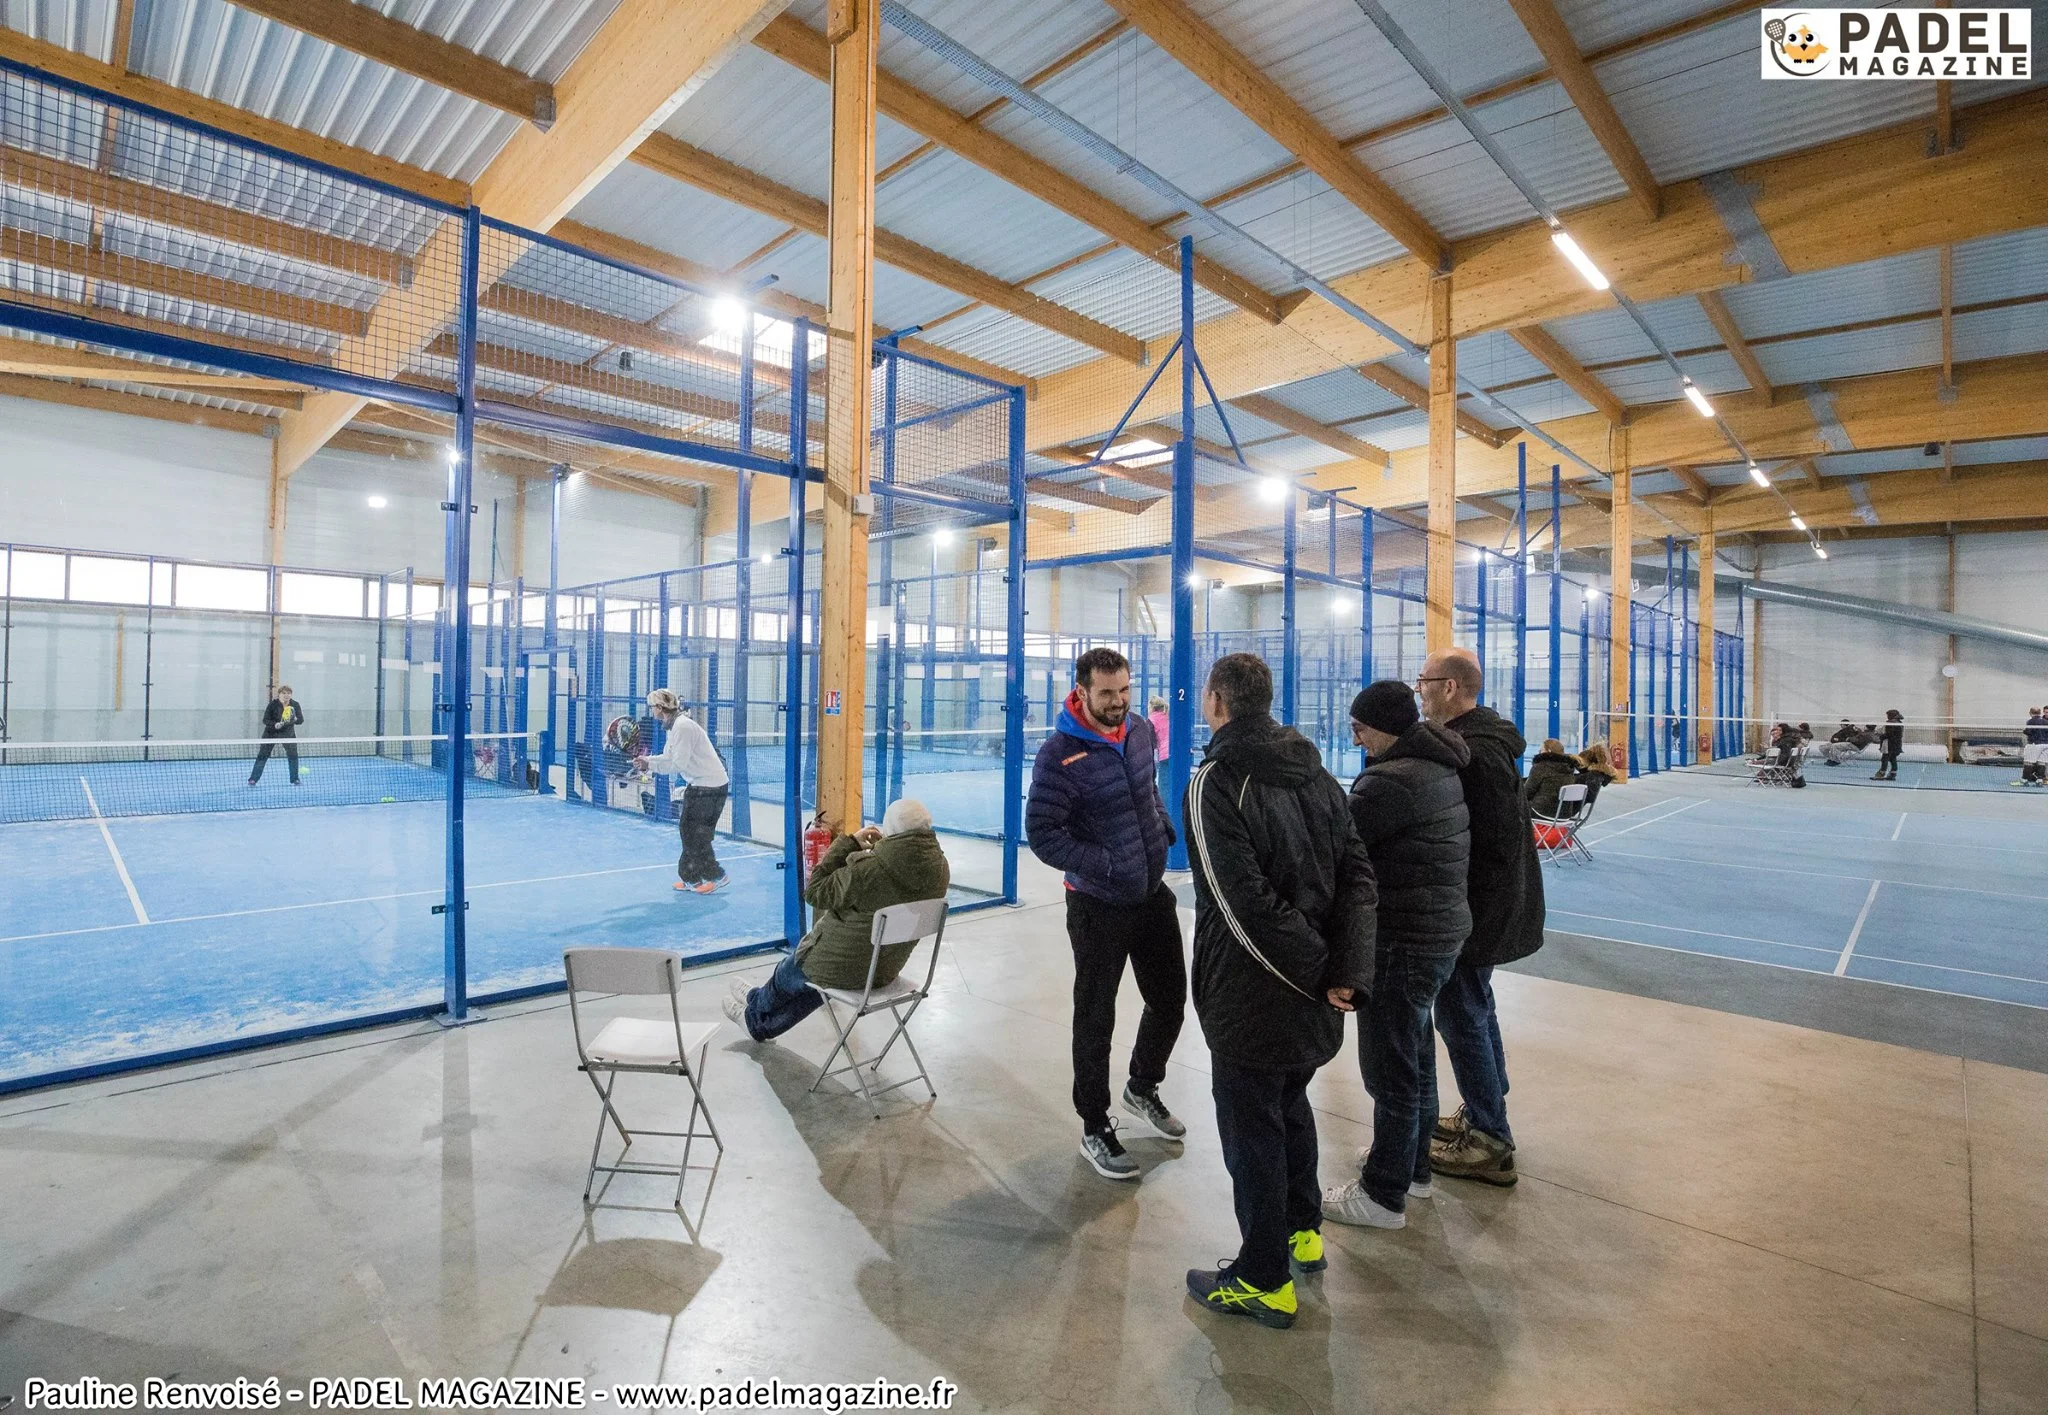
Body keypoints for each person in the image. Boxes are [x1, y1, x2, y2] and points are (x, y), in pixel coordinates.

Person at [1182, 654, 1375, 1330]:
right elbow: (1359, 876)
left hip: (1255, 998)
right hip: (1315, 997)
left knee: (1254, 1130)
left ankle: (1264, 1278)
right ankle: (1302, 1230)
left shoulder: (1213, 781)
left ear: (1217, 701)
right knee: (1291, 1107)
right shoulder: (1319, 773)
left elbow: (1244, 910)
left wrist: (1325, 972)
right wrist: (1344, 970)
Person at [1027, 647, 1185, 1182]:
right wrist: (1108, 862)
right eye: (1107, 694)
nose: (1118, 703)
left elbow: (1149, 790)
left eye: (1124, 691)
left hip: (1150, 891)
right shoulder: (1059, 755)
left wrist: (1160, 829)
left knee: (1170, 998)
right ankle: (1094, 1124)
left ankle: (1142, 1086)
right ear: (1082, 691)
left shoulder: (1140, 730)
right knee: (1096, 1016)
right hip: (1097, 903)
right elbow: (1044, 835)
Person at [1323, 680, 1470, 1232]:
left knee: (1391, 1071)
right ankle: (1412, 1167)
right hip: (1438, 936)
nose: (1356, 739)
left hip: (1404, 941)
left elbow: (1337, 847)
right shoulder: (1437, 766)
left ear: (1383, 727)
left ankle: (1384, 1194)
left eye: (1360, 729)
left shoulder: (1390, 784)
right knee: (1416, 1056)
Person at [1418, 648, 1545, 1187]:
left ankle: (1491, 1137)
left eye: (1424, 681)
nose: (1418, 691)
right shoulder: (1488, 741)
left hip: (1476, 912)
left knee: (1461, 1016)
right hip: (1486, 908)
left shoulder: (1475, 754)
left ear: (1450, 688)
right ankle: (1484, 1107)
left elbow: (1483, 846)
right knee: (1476, 1009)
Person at [722, 798, 949, 1041]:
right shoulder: (941, 869)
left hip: (843, 966)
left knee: (791, 972)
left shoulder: (867, 871)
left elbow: (814, 892)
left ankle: (754, 1008)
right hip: (884, 970)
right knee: (815, 989)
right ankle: (758, 1017)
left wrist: (849, 844)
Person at [636, 688, 731, 894]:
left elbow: (678, 764)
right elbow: (668, 757)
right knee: (689, 832)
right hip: (699, 786)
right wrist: (648, 762)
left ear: (660, 708)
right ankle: (691, 879)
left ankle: (717, 875)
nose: (651, 711)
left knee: (697, 835)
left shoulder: (683, 727)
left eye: (652, 707)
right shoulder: (674, 727)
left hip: (709, 787)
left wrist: (650, 764)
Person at [248, 684, 304, 786]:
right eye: (284, 693)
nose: (286, 695)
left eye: (288, 693)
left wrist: (295, 719)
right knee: (262, 756)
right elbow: (265, 720)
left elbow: (301, 720)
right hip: (270, 733)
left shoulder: (295, 705)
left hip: (288, 734)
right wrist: (275, 725)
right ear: (279, 695)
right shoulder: (272, 705)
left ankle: (295, 779)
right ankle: (253, 779)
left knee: (293, 756)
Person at [1522, 738, 1581, 817]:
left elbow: (1526, 793)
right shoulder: (1569, 768)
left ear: (1548, 751)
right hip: (1564, 814)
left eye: (1541, 751)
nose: (1539, 753)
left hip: (1541, 812)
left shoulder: (1541, 767)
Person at [2017, 708, 2048, 787]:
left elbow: (2029, 732)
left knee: (2028, 763)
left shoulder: (2030, 721)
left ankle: (2024, 780)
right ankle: (2039, 781)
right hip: (2045, 745)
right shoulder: (2045, 722)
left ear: (2030, 713)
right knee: (2042, 763)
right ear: (2040, 713)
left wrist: (2025, 731)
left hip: (2034, 744)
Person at [1147, 695, 1171, 794]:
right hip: (1175, 753)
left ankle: (1165, 808)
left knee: (1164, 786)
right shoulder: (1168, 717)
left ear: (1151, 707)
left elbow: (1149, 742)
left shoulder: (1151, 720)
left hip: (1164, 755)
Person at [1873, 709, 1905, 781]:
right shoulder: (1900, 723)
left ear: (1891, 715)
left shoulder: (1891, 723)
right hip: (1897, 744)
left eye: (1888, 715)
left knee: (1885, 759)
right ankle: (1893, 774)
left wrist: (1880, 736)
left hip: (1889, 744)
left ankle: (1881, 774)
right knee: (1893, 758)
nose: (1887, 716)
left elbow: (1889, 734)